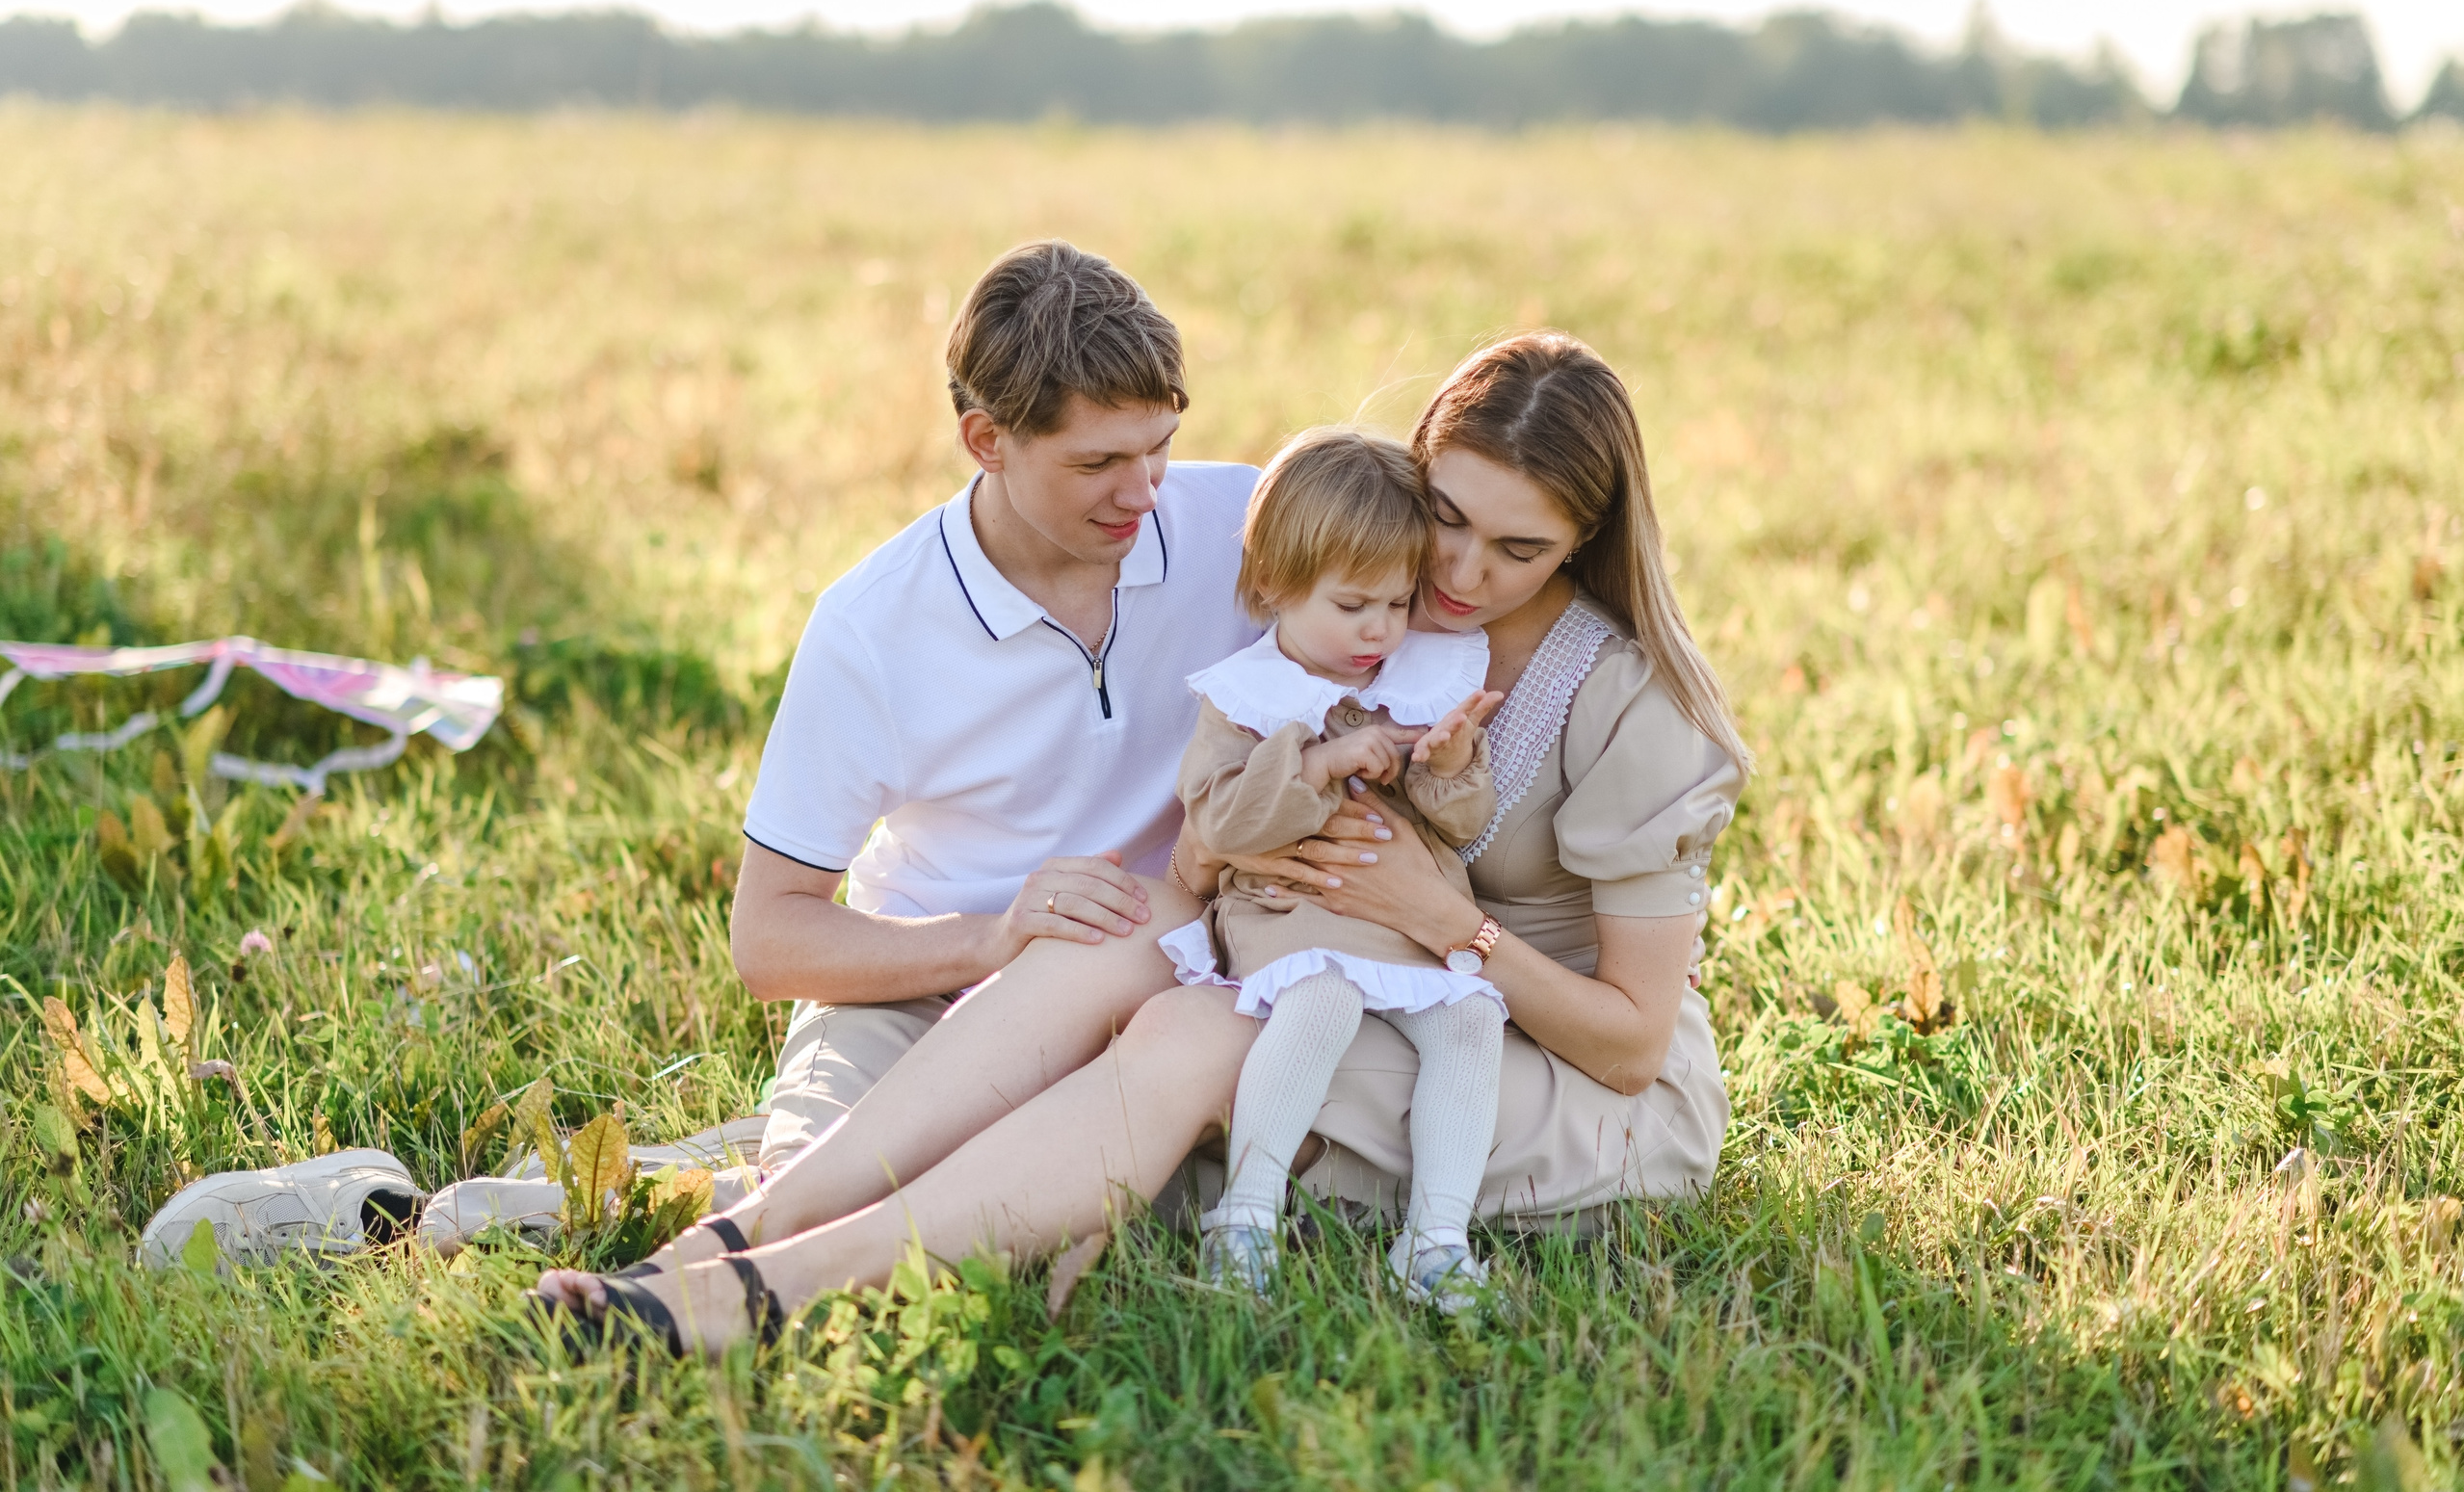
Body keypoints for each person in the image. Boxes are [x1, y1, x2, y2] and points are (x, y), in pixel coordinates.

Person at [535, 329, 1749, 1358]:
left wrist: (1448, 924)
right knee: (1120, 922)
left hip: (1542, 1071)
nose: (1461, 572)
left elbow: (1633, 1047)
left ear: (1582, 544)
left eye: (1519, 550)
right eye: (1443, 517)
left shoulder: (1632, 703)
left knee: (1188, 1032)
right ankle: (729, 1236)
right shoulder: (1373, 609)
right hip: (1355, 976)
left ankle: (761, 1294)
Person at [142, 236, 1265, 1269]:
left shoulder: (1238, 531)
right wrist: (992, 933)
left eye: (1160, 449)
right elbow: (771, 938)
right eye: (1098, 463)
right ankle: (424, 1214)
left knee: (1100, 1204)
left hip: (1152, 989)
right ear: (987, 440)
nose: (1144, 492)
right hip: (923, 987)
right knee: (841, 1208)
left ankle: (734, 1163)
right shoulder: (875, 624)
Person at [1168, 428, 1505, 1308]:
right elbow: (1222, 822)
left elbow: (1464, 825)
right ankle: (1246, 1214)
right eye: (1354, 603)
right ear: (1274, 586)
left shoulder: (1413, 678)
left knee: (1471, 1020)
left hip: (1404, 916)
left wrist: (1448, 763)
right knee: (1323, 996)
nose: (1379, 630)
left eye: (1397, 604)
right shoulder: (1248, 696)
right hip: (1296, 912)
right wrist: (1316, 763)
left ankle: (1434, 1239)